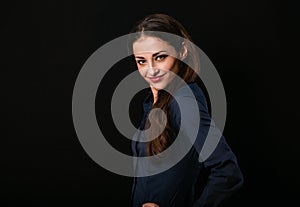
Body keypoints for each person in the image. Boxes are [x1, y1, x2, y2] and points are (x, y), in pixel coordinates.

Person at [128, 13, 243, 207]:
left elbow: (228, 173)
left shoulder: (183, 101)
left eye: (160, 57)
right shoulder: (156, 101)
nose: (151, 70)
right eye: (142, 61)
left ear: (182, 51)